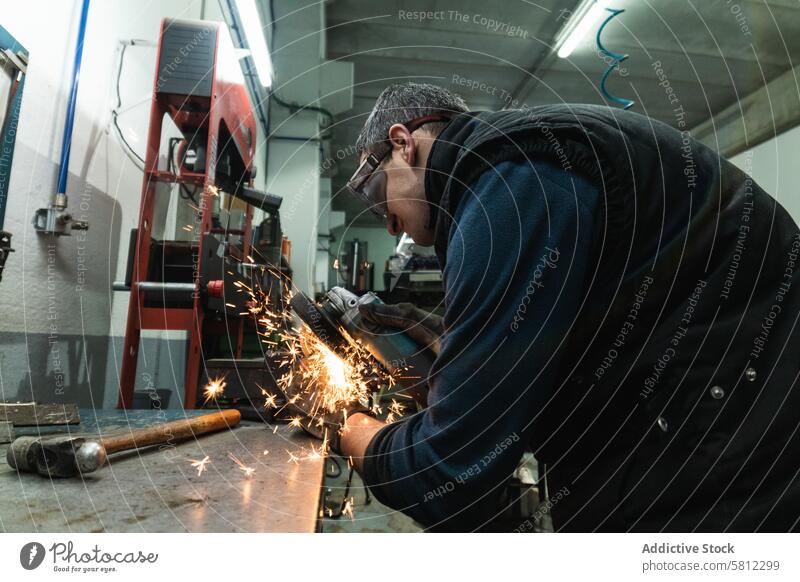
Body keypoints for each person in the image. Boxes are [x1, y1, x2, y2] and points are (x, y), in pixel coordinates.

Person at [295, 82, 800, 532]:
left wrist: (349, 427)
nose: (388, 225)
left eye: (378, 196)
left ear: (404, 143)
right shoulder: (512, 169)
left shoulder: (507, 182)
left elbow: (449, 473)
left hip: (724, 452)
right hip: (718, 414)